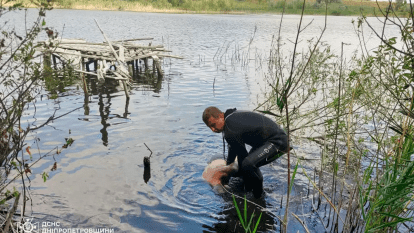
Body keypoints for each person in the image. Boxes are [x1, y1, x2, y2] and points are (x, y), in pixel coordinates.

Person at [202, 106, 288, 198]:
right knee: (245, 165)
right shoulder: (230, 121)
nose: (213, 130)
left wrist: (227, 174)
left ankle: (258, 196)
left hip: (277, 142)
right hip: (265, 142)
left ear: (220, 116)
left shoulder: (230, 128)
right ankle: (250, 190)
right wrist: (228, 168)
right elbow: (233, 150)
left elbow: (242, 157)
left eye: (213, 125)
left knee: (248, 164)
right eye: (209, 127)